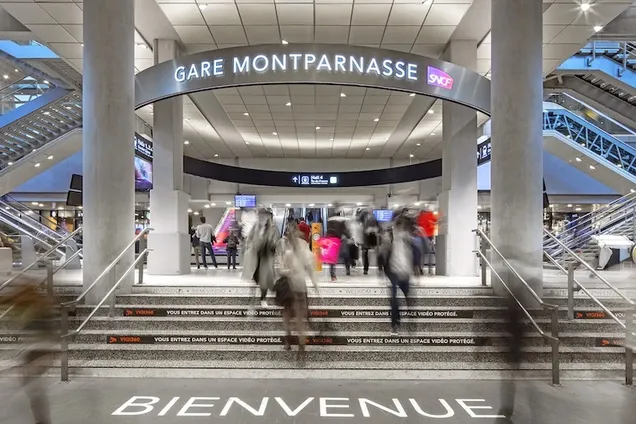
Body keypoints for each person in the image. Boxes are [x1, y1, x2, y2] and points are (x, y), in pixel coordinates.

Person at [277, 221, 319, 362]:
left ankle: (291, 341)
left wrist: (289, 271)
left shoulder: (289, 248)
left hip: (292, 288)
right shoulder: (300, 247)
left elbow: (280, 269)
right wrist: (315, 284)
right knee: (296, 319)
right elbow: (309, 268)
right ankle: (299, 347)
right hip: (297, 287)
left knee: (289, 317)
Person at [386, 209, 416, 335]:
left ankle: (411, 324)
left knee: (409, 298)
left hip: (405, 272)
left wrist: (416, 270)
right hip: (394, 271)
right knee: (394, 299)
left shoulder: (410, 239)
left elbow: (415, 255)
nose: (400, 227)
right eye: (399, 225)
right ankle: (395, 325)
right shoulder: (392, 236)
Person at [242, 209, 279, 308]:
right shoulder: (255, 227)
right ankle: (252, 298)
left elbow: (275, 243)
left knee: (264, 280)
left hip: (266, 257)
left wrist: (270, 242)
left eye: (263, 216)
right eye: (260, 216)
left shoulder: (272, 229)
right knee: (254, 278)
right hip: (255, 256)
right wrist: (250, 245)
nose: (261, 218)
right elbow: (249, 239)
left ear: (267, 217)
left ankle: (263, 299)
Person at [326, 211, 351, 281]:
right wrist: (349, 236)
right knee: (345, 254)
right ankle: (347, 269)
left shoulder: (330, 221)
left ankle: (333, 275)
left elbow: (328, 231)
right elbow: (344, 231)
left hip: (330, 240)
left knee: (332, 258)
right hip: (338, 240)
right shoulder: (341, 221)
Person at [417, 208, 437, 276]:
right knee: (427, 254)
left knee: (422, 254)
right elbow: (432, 226)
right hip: (426, 237)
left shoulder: (420, 218)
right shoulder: (427, 217)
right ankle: (428, 270)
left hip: (424, 237)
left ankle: (422, 269)